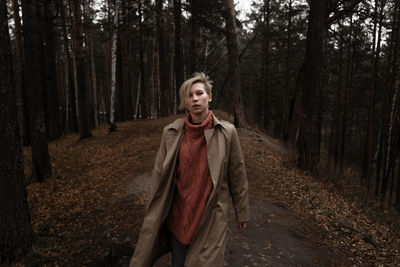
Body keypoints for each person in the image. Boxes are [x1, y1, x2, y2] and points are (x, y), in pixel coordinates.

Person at [129, 72, 250, 267]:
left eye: (199, 93)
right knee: (179, 262)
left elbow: (237, 174)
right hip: (178, 215)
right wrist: (152, 209)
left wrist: (242, 212)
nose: (195, 98)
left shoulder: (227, 133)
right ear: (185, 102)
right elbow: (159, 174)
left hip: (210, 216)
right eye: (189, 95)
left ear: (209, 97)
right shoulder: (171, 133)